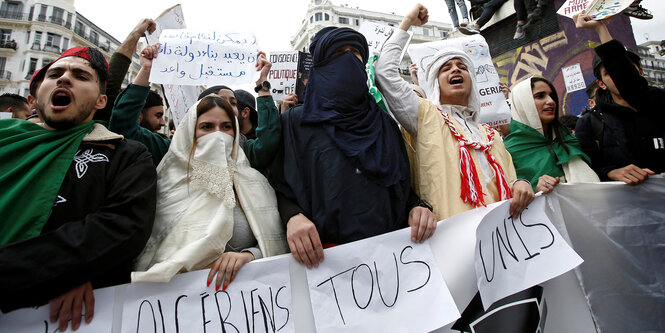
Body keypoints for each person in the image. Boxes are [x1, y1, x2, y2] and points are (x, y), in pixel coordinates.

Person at [0, 46, 156, 331]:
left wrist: (69, 269)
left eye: (81, 76)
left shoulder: (124, 155)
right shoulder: (5, 138)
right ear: (34, 96)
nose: (64, 79)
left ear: (101, 101)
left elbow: (122, 227)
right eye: (55, 73)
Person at [270, 26, 437, 269]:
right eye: (339, 52)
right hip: (325, 267)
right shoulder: (295, 122)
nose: (348, 59)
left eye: (355, 53)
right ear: (321, 64)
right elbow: (279, 185)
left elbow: (399, 184)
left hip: (394, 261)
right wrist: (292, 217)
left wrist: (417, 207)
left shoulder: (384, 123)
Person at [376, 4, 534, 220]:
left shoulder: (491, 135)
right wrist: (407, 23)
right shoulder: (424, 115)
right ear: (435, 83)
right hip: (451, 240)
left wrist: (521, 183)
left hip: (500, 238)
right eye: (446, 68)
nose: (456, 69)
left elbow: (509, 181)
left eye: (462, 66)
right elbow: (385, 73)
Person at [132, 94, 287, 290]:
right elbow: (151, 254)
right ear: (190, 132)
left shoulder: (254, 183)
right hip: (178, 303)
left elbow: (276, 245)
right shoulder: (166, 184)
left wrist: (249, 256)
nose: (218, 134)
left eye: (226, 127)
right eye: (207, 127)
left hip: (245, 302)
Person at [574, 11, 665, 184]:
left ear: (640, 71)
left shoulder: (659, 101)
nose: (618, 76)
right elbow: (588, 170)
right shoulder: (590, 123)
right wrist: (611, 172)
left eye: (628, 68)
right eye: (609, 72)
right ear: (600, 83)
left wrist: (601, 28)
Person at [504, 77, 599, 193]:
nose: (550, 101)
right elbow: (508, 197)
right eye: (540, 96)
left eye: (552, 96)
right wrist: (535, 189)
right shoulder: (508, 152)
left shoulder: (567, 138)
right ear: (523, 103)